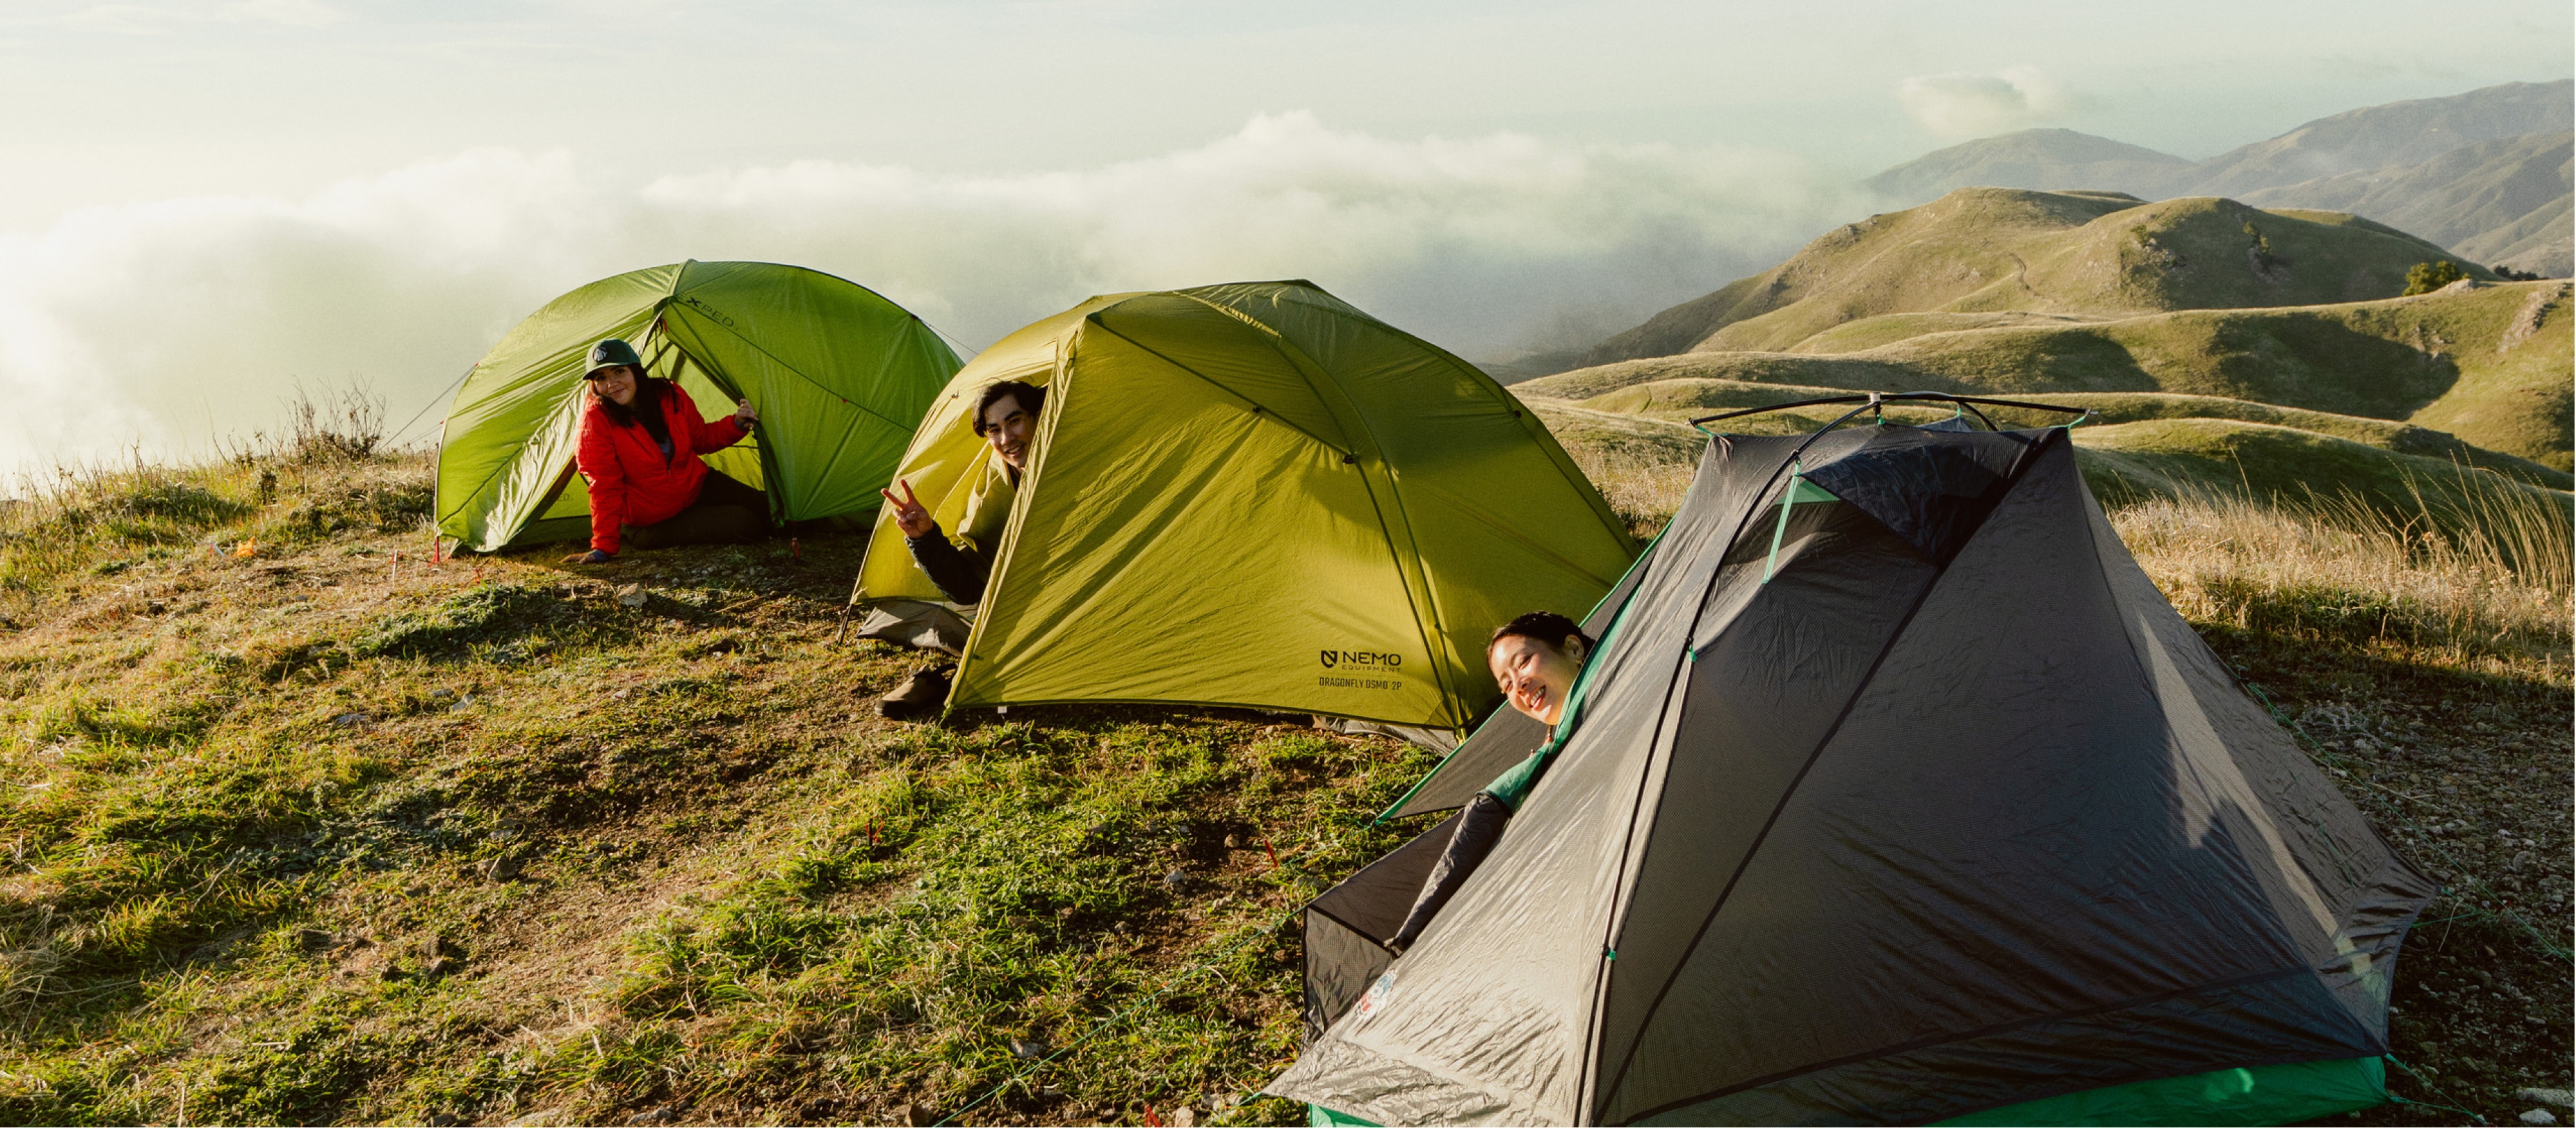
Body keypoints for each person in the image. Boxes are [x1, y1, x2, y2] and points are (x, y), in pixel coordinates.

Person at [1387, 610, 1591, 954]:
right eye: (1507, 685)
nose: (1519, 686)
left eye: (1524, 662)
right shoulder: (1553, 749)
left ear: (1573, 648)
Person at [873, 379, 1046, 718]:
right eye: (994, 429)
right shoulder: (996, 485)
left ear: (1039, 416)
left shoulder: (1078, 465)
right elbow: (968, 587)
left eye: (1014, 421)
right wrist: (925, 538)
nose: (1007, 439)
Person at [560, 339, 765, 565]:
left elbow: (701, 439)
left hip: (697, 485)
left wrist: (736, 424)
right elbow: (604, 485)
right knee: (745, 523)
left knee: (768, 508)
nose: (612, 384)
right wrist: (603, 546)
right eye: (601, 378)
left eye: (619, 372)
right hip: (653, 521)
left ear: (636, 371)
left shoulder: (670, 395)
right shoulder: (596, 420)